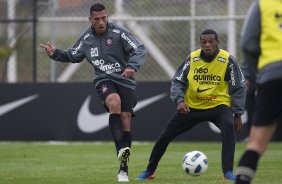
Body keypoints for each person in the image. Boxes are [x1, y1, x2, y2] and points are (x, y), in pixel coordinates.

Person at [40, 3, 147, 182]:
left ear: (107, 17)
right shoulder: (87, 38)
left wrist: (131, 66)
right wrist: (55, 53)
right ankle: (120, 149)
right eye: (97, 19)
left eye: (104, 18)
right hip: (104, 80)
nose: (101, 22)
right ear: (90, 19)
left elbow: (140, 48)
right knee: (114, 102)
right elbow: (73, 55)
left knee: (126, 118)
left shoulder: (119, 33)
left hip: (125, 80)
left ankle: (123, 170)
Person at [137, 29, 246, 181]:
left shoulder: (227, 60)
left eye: (210, 42)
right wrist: (179, 100)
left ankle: (227, 172)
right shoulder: (193, 58)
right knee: (165, 136)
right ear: (200, 43)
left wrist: (238, 113)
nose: (207, 45)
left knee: (228, 128)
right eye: (204, 42)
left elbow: (238, 86)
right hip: (192, 106)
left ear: (217, 43)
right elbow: (178, 81)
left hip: (218, 105)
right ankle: (150, 171)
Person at [235, 0, 282, 183]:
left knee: (255, 144)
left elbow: (248, 44)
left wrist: (261, 70)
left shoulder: (264, 4)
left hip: (273, 77)